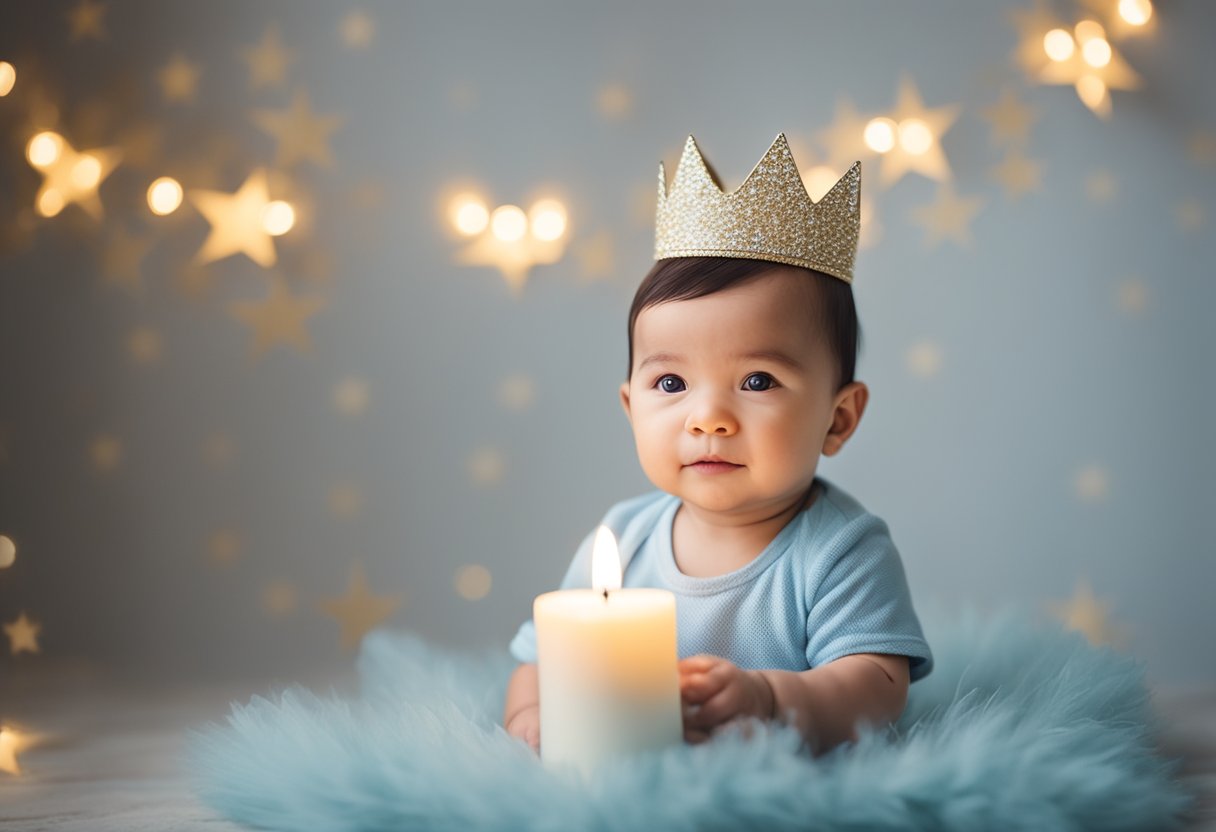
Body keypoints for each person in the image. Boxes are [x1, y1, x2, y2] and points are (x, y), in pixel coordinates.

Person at [502, 134, 933, 756]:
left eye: (758, 381)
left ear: (838, 420)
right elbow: (538, 661)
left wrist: (772, 700)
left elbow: (877, 686)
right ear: (630, 407)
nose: (708, 419)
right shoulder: (623, 539)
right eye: (671, 382)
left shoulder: (841, 551)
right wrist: (532, 715)